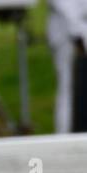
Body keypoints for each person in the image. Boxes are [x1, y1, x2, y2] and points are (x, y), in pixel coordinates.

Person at [48, 0, 87, 133]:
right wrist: (77, 33)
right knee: (69, 88)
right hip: (68, 33)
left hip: (78, 29)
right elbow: (65, 5)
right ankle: (64, 134)